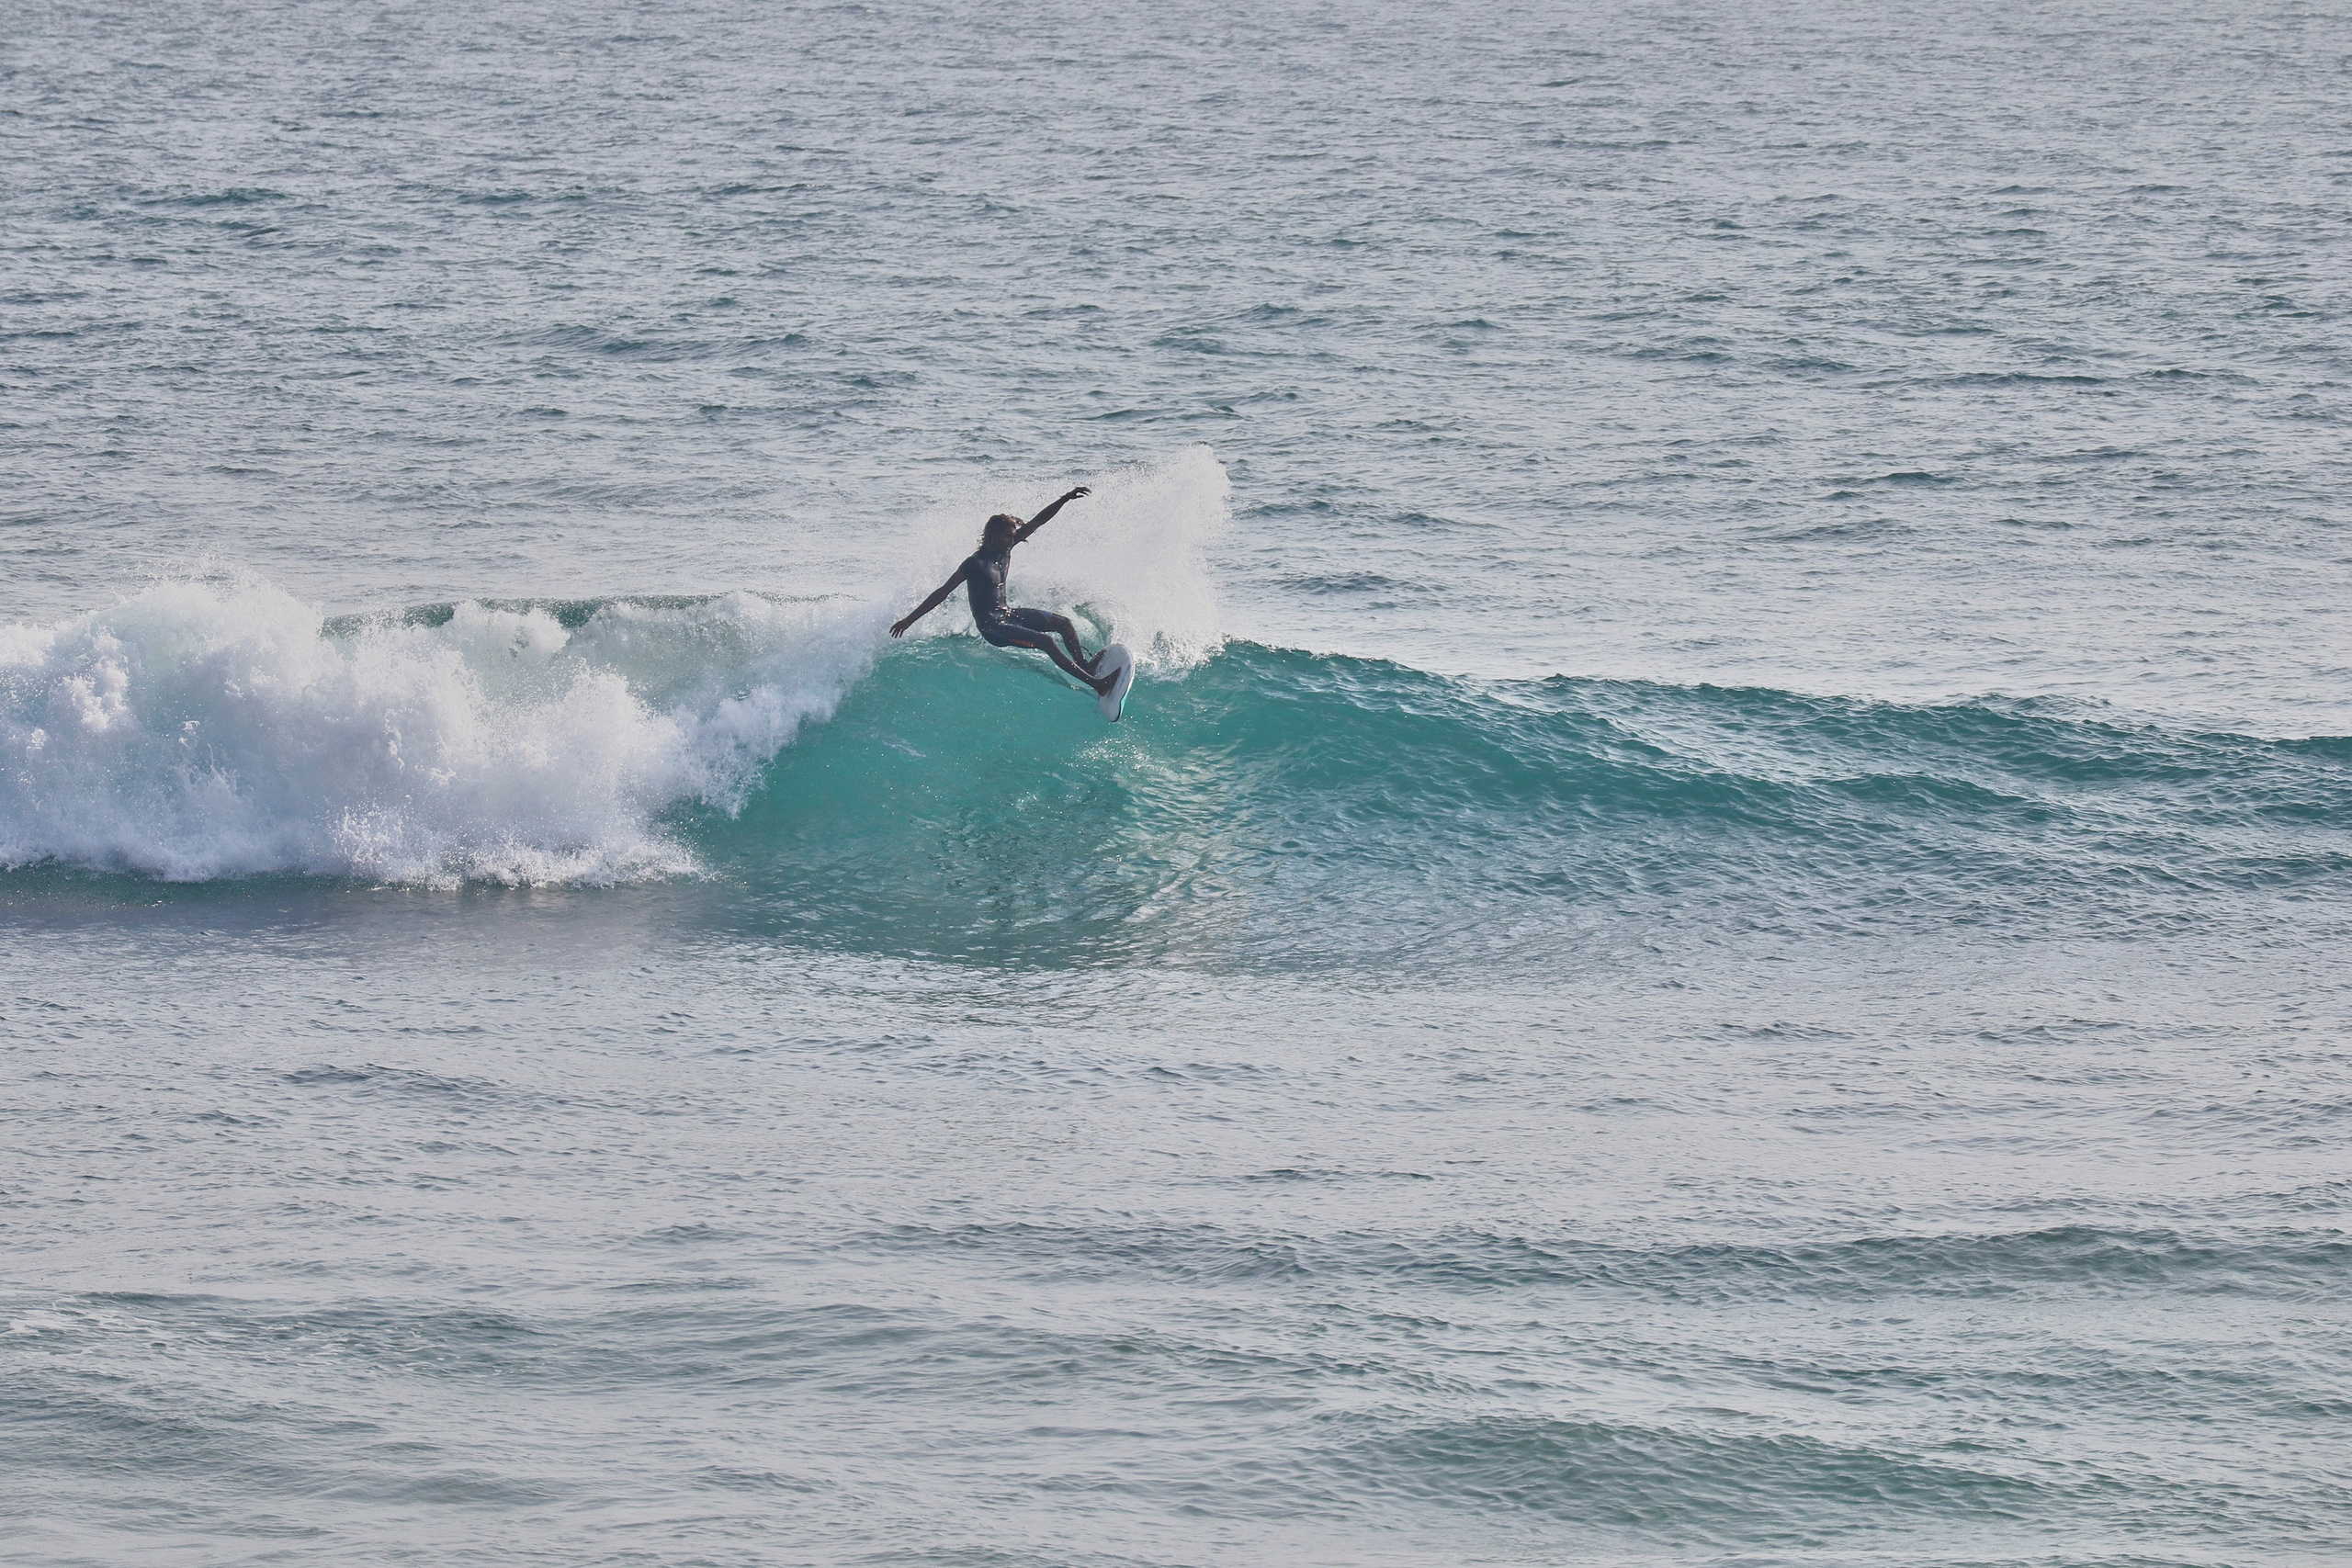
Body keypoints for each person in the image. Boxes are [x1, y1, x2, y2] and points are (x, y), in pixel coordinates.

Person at [888, 485, 1114, 694]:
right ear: (992, 536)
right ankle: (1097, 685)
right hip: (993, 628)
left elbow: (1037, 522)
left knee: (1063, 623)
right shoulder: (974, 563)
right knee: (1047, 642)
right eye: (1007, 536)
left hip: (1008, 615)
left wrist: (1064, 499)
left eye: (1012, 535)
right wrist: (909, 620)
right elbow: (942, 592)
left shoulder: (1005, 549)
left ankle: (1085, 666)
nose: (1012, 539)